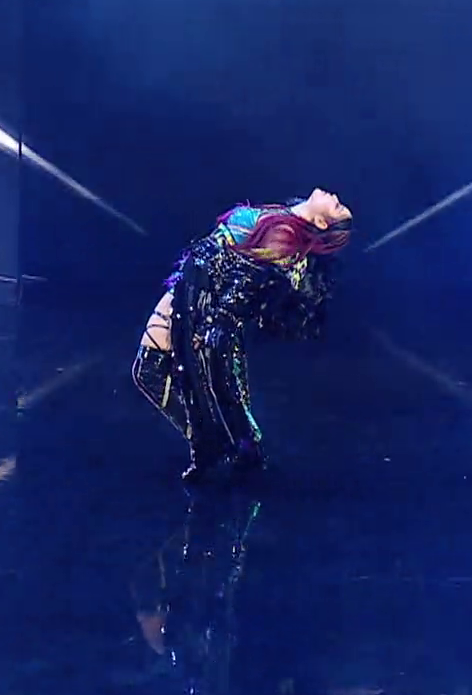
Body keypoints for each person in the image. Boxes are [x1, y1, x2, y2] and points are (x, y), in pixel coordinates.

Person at [133, 189, 353, 483]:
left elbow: (241, 288)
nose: (335, 196)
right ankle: (220, 443)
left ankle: (217, 444)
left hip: (202, 298)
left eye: (337, 206)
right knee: (170, 375)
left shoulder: (284, 239)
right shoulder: (285, 220)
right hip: (194, 286)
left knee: (155, 370)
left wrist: (208, 323)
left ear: (322, 223)